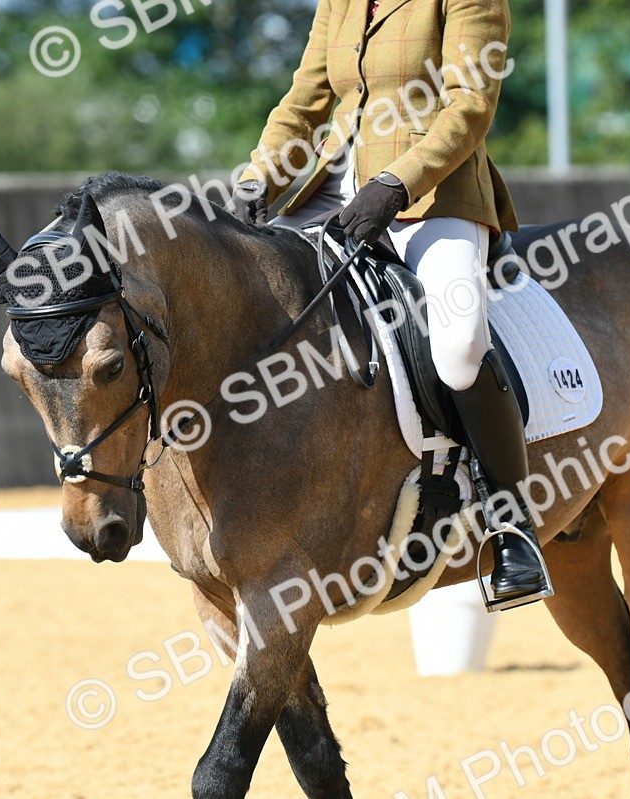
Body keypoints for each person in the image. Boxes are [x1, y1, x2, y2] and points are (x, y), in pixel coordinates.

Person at [231, 0, 551, 606]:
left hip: (431, 194)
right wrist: (259, 178)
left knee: (459, 347)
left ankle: (513, 528)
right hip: (330, 190)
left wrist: (395, 184)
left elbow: (470, 105)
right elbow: (305, 99)